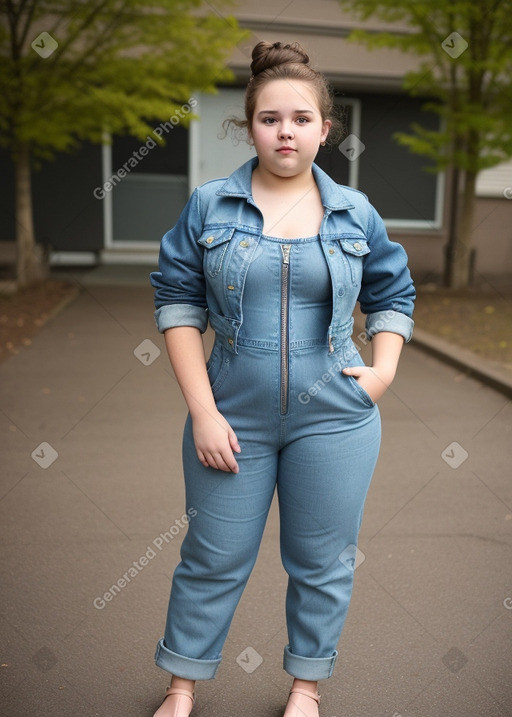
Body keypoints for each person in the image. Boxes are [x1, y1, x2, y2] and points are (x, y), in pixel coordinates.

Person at [149, 40, 415, 717]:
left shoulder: (356, 211)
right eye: (270, 119)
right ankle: (181, 686)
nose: (285, 131)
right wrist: (204, 411)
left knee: (321, 561)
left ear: (325, 128)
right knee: (213, 556)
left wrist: (381, 371)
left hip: (337, 416)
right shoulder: (210, 205)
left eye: (301, 118)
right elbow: (177, 305)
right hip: (231, 414)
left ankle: (306, 686)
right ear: (250, 126)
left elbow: (394, 295)